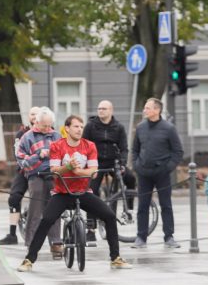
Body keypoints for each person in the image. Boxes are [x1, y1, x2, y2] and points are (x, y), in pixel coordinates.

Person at [16, 114, 132, 272]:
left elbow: (93, 172)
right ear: (67, 129)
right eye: (76, 126)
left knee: (110, 216)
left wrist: (77, 171)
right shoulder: (57, 146)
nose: (79, 129)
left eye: (81, 127)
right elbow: (55, 170)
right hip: (62, 192)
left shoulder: (89, 145)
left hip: (84, 192)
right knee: (46, 220)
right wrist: (67, 167)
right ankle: (29, 259)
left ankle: (115, 258)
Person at [131, 98, 183, 249]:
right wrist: (136, 165)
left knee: (166, 205)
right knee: (142, 206)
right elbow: (135, 149)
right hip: (143, 172)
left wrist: (168, 167)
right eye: (145, 108)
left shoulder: (169, 128)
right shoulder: (140, 127)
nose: (145, 111)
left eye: (147, 108)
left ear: (157, 110)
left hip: (162, 172)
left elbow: (178, 151)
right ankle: (141, 237)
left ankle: (169, 236)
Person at [83, 99, 136, 247]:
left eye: (104, 109)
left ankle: (129, 208)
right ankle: (90, 229)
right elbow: (84, 145)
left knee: (130, 178)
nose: (101, 111)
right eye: (99, 108)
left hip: (114, 161)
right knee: (91, 192)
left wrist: (123, 164)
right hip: (96, 162)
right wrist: (88, 163)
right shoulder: (91, 126)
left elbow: (124, 148)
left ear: (111, 111)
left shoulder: (118, 127)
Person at [17, 107, 63, 253]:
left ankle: (56, 242)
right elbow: (21, 162)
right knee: (36, 207)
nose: (48, 129)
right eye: (44, 126)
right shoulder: (27, 137)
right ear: (37, 122)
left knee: (55, 207)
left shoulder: (56, 136)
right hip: (35, 175)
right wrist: (39, 155)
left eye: (50, 125)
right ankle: (31, 243)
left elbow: (65, 155)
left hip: (54, 174)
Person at [0, 106, 40, 245]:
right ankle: (12, 234)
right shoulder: (21, 133)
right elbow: (17, 154)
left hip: (42, 172)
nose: (34, 117)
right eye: (32, 114)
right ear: (29, 117)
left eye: (37, 114)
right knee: (14, 197)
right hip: (24, 170)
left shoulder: (49, 133)